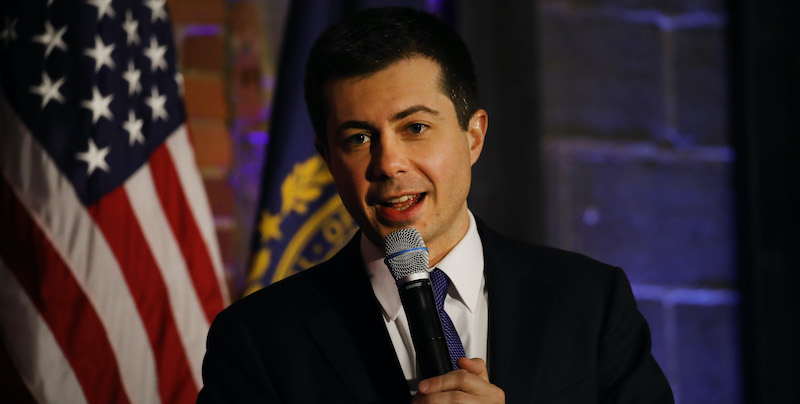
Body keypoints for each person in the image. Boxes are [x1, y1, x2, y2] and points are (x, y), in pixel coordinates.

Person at [197, 7, 673, 403]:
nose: (388, 163)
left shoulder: (590, 302)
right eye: (359, 138)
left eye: (415, 128)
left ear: (474, 136)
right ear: (328, 159)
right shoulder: (258, 340)